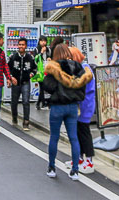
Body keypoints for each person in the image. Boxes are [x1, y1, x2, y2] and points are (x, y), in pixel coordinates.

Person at [41, 43, 92, 181]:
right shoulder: (77, 67)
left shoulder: (54, 67)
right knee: (73, 138)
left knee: (54, 137)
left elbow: (47, 86)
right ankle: (75, 170)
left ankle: (52, 168)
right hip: (72, 107)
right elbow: (83, 89)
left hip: (57, 107)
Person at [71, 47, 96, 175]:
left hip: (85, 105)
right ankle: (79, 158)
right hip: (81, 105)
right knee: (78, 132)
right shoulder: (79, 68)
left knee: (84, 132)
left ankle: (89, 160)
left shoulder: (84, 68)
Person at [7, 37, 37, 130]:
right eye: (19, 44)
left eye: (23, 45)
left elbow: (35, 68)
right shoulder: (13, 56)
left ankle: (26, 122)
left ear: (26, 46)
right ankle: (14, 117)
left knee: (26, 101)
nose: (21, 46)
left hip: (26, 82)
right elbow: (8, 68)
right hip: (15, 82)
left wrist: (31, 74)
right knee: (14, 102)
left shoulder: (30, 57)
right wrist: (10, 78)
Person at [34, 35, 50, 110]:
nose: (43, 43)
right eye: (42, 41)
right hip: (39, 71)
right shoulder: (37, 49)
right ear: (39, 41)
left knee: (42, 87)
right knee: (42, 86)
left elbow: (50, 57)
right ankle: (43, 104)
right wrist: (41, 52)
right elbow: (35, 60)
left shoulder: (48, 49)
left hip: (46, 70)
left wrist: (49, 58)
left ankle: (39, 103)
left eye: (44, 41)